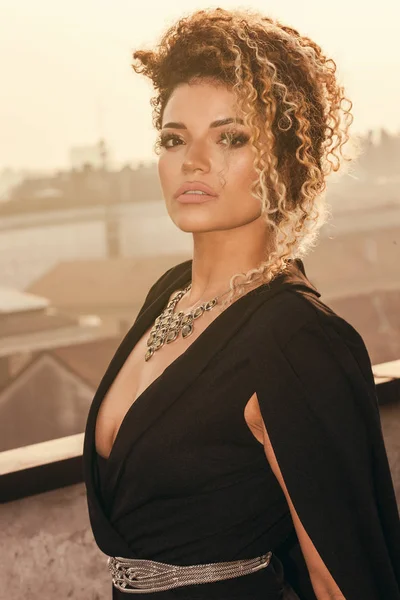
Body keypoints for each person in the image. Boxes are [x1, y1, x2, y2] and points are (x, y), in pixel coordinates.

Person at [83, 7, 400, 599]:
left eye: (231, 137)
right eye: (174, 139)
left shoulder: (296, 337)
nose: (193, 162)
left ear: (286, 158)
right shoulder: (166, 296)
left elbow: (342, 580)